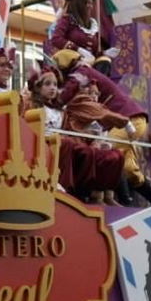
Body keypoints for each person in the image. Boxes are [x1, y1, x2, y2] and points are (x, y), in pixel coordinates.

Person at [52, 49, 151, 206]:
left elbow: (67, 93)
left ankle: (101, 198)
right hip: (134, 119)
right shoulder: (87, 72)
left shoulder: (80, 72)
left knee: (104, 154)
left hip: (128, 119)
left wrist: (53, 100)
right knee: (129, 168)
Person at [26, 61, 122, 203]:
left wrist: (91, 138)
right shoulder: (30, 105)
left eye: (55, 85)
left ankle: (88, 191)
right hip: (41, 143)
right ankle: (65, 188)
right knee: (68, 144)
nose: (53, 88)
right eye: (47, 84)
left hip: (62, 143)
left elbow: (71, 130)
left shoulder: (60, 111)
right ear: (37, 87)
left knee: (91, 151)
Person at [46, 0, 115, 67]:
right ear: (79, 4)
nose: (91, 7)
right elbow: (56, 39)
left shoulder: (92, 25)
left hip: (89, 65)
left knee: (105, 61)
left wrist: (104, 53)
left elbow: (93, 53)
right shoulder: (67, 20)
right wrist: (78, 49)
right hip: (72, 64)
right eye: (88, 3)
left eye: (92, 4)